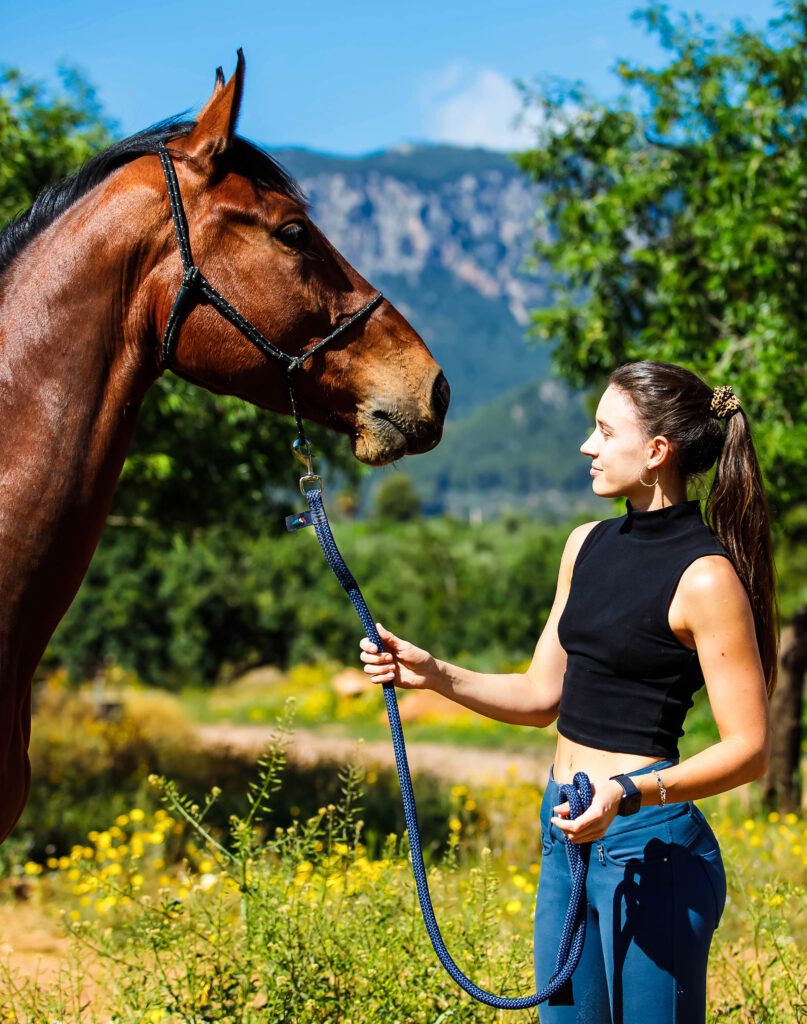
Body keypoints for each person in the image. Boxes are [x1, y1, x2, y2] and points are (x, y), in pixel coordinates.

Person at [358, 360, 775, 1024]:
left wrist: (629, 792)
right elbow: (539, 696)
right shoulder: (584, 545)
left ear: (655, 453)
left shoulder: (704, 577)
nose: (586, 445)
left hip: (649, 845)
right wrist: (432, 672)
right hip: (565, 831)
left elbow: (751, 749)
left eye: (604, 432)